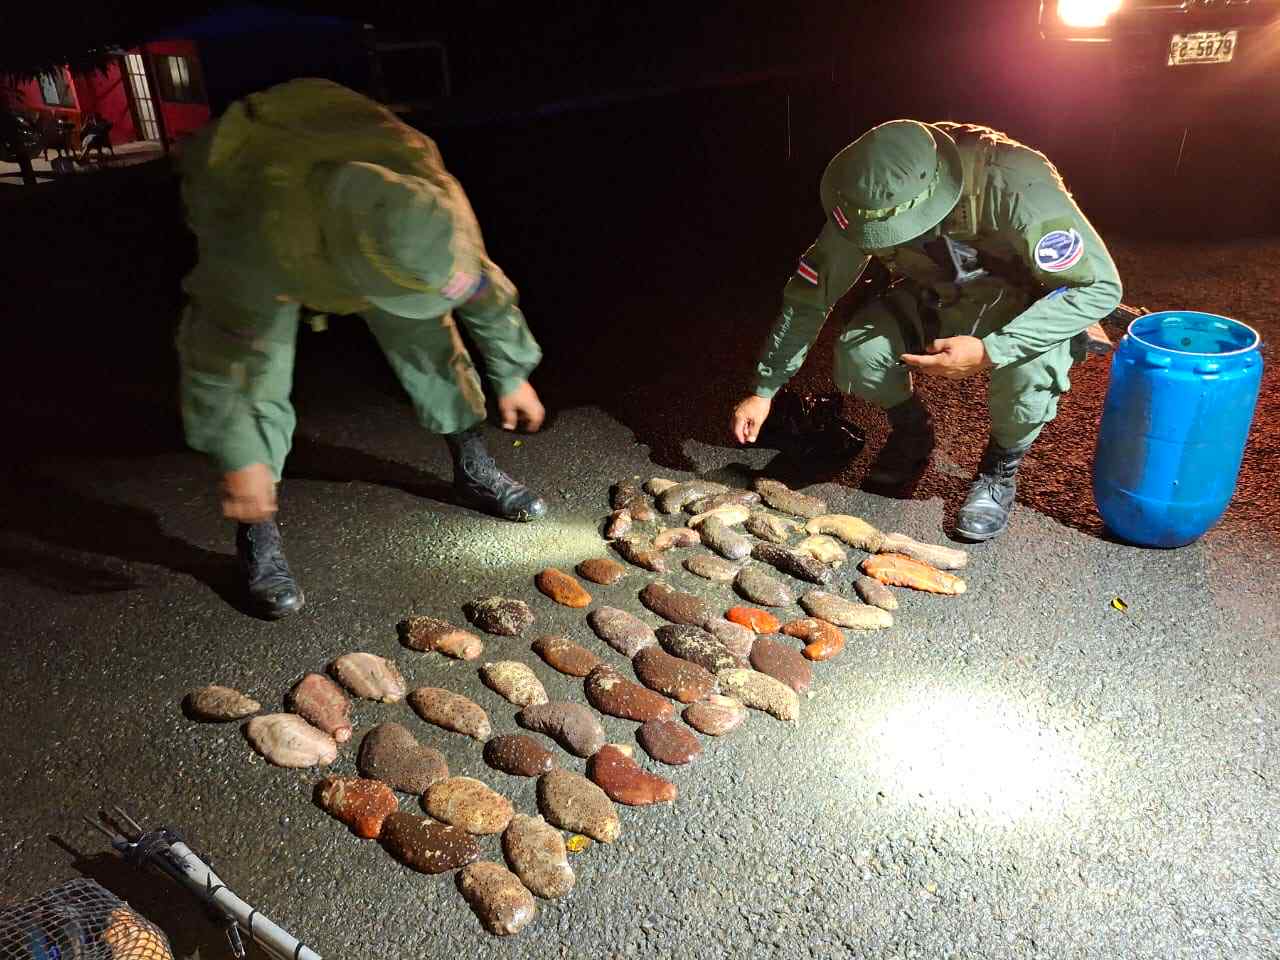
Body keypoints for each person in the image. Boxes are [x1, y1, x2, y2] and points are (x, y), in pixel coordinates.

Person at [177, 79, 547, 619]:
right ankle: (256, 528)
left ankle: (473, 466)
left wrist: (512, 372)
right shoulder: (262, 238)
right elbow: (223, 353)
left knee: (429, 336)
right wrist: (241, 458)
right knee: (260, 371)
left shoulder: (432, 206)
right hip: (265, 188)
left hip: (356, 199)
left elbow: (479, 288)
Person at [732, 120, 1121, 542]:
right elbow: (809, 298)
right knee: (860, 353)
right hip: (938, 296)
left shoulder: (1016, 182)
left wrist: (991, 350)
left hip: (1021, 305)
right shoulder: (864, 201)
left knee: (1028, 375)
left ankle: (999, 469)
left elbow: (1098, 287)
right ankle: (913, 432)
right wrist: (764, 389)